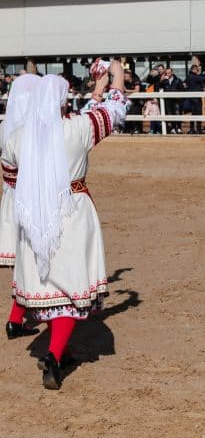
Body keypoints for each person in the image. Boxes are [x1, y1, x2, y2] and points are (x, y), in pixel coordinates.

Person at [6, 60, 127, 389]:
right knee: (71, 286)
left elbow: (10, 176)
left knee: (48, 285)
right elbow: (116, 109)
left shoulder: (18, 137)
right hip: (73, 210)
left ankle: (59, 348)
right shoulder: (78, 128)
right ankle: (56, 355)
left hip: (34, 213)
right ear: (63, 101)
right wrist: (115, 72)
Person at [2, 74, 42, 339]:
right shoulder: (37, 130)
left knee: (26, 261)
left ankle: (16, 318)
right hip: (34, 201)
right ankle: (19, 318)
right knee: (37, 261)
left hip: (11, 199)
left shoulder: (7, 127)